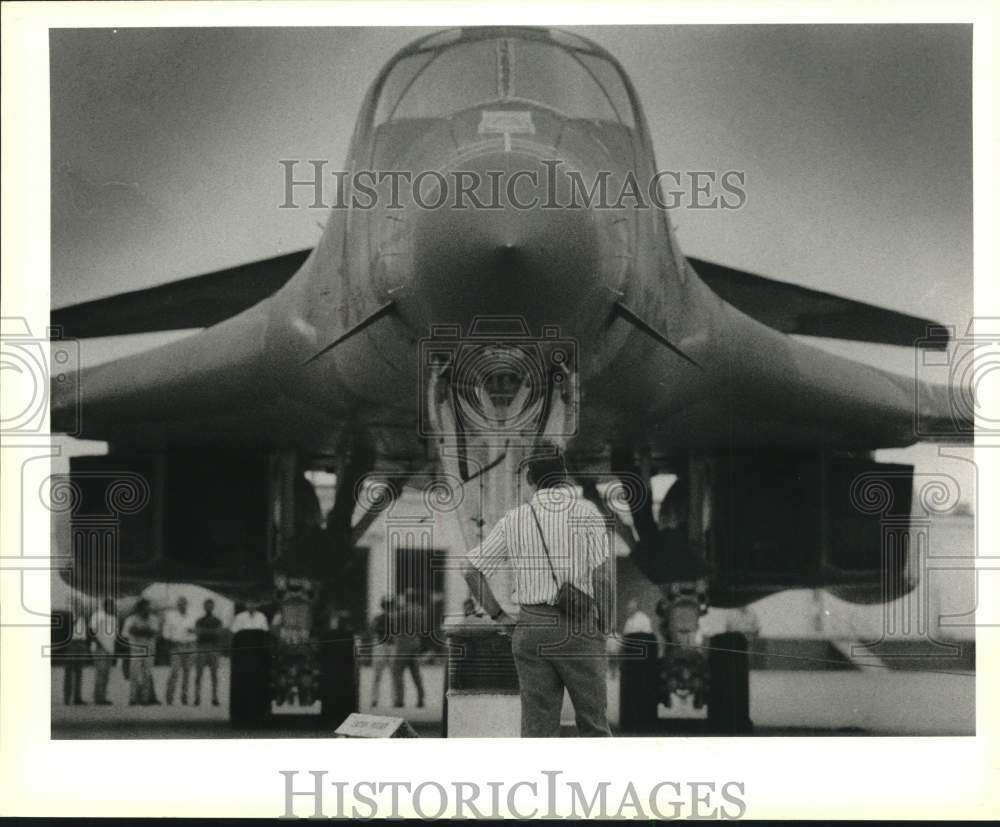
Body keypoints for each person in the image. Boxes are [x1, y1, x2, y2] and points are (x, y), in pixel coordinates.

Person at [463, 448, 614, 737]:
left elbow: (471, 571)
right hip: (579, 627)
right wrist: (604, 624)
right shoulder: (587, 515)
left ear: (530, 478)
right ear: (565, 477)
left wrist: (500, 617)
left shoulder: (515, 520)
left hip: (530, 627)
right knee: (593, 723)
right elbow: (603, 577)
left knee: (537, 729)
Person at [391, 589, 425, 708]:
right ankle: (421, 696)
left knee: (397, 671)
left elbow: (394, 621)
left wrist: (397, 607)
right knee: (415, 671)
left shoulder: (404, 610)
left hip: (404, 642)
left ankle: (399, 699)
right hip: (415, 640)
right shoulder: (421, 610)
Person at [122, 599, 160, 705]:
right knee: (134, 675)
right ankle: (133, 698)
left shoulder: (153, 618)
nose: (147, 610)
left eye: (148, 607)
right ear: (139, 608)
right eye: (145, 607)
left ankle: (145, 698)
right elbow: (126, 633)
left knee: (147, 674)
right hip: (136, 650)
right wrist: (144, 631)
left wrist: (139, 630)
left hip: (149, 649)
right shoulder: (131, 619)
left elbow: (154, 632)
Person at [162, 596, 197, 705]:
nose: (182, 605)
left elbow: (197, 632)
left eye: (184, 603)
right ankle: (169, 697)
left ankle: (184, 698)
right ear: (177, 605)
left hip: (190, 645)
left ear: (187, 604)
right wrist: (171, 642)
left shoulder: (193, 616)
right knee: (174, 672)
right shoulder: (170, 616)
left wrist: (193, 631)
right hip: (176, 645)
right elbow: (165, 633)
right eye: (180, 603)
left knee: (187, 673)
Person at [193, 598, 224, 706]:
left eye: (210, 606)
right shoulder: (199, 620)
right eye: (207, 605)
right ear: (204, 607)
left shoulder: (217, 621)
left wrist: (204, 632)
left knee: (214, 675)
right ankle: (197, 697)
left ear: (213, 607)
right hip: (201, 648)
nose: (208, 608)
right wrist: (210, 632)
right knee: (198, 674)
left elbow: (218, 633)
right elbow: (198, 633)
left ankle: (215, 697)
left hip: (213, 648)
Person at [89, 598, 117, 705]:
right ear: (105, 606)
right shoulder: (97, 616)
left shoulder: (113, 618)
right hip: (100, 648)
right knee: (100, 673)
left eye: (112, 606)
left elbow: (113, 636)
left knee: (106, 673)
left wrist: (112, 650)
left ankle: (103, 697)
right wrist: (99, 643)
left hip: (109, 649)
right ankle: (98, 697)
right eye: (109, 606)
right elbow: (91, 630)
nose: (111, 608)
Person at [368, 595, 395, 708]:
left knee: (382, 675)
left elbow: (372, 629)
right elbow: (373, 630)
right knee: (383, 675)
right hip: (385, 646)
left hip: (385, 646)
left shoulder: (381, 618)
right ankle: (378, 699)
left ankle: (377, 699)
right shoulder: (384, 618)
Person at [63, 606, 89, 705]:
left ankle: (77, 697)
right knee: (69, 671)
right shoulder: (71, 617)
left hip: (81, 643)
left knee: (79, 671)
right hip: (73, 643)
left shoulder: (84, 619)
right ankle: (67, 697)